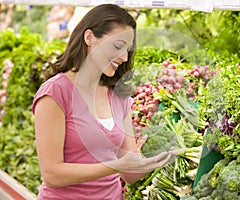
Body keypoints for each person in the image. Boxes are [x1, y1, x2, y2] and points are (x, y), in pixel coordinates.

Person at [32, 4, 173, 200]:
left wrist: (161, 156)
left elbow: (129, 174)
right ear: (89, 37)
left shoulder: (118, 96)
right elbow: (52, 175)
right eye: (117, 46)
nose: (124, 57)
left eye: (127, 50)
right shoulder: (56, 93)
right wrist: (115, 166)